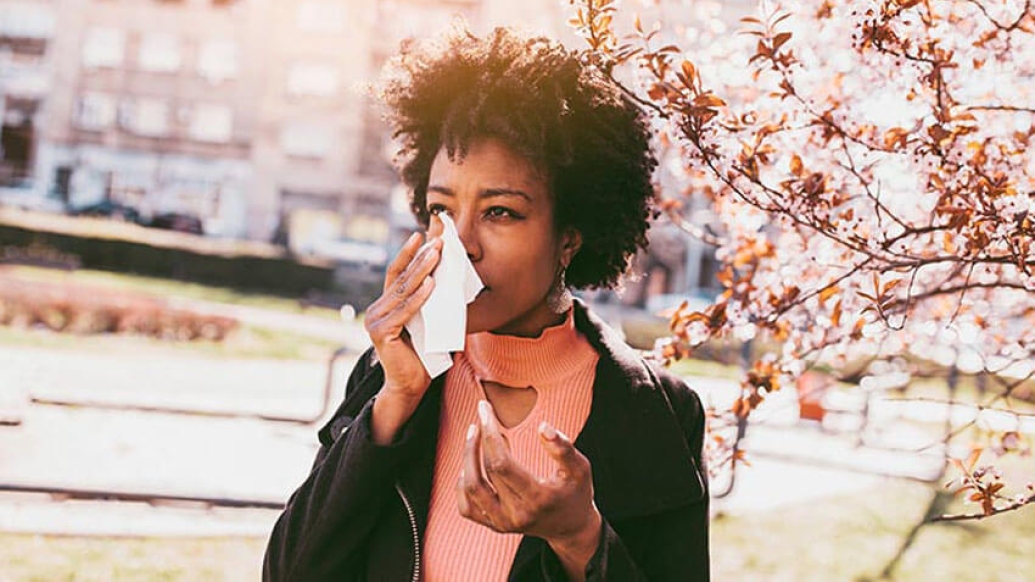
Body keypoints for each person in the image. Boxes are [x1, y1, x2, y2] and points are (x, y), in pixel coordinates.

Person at [263, 27, 709, 582]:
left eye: (500, 212)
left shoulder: (659, 411)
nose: (462, 243)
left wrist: (579, 540)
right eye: (441, 210)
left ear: (570, 235)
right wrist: (395, 401)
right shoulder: (393, 376)